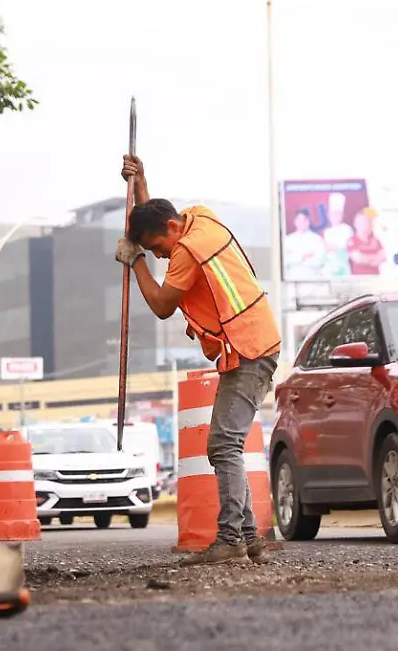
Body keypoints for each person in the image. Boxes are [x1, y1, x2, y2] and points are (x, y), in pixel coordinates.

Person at [115, 154, 281, 566]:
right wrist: (140, 184)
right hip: (253, 344)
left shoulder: (187, 253)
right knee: (227, 444)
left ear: (172, 230)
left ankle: (231, 539)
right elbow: (158, 220)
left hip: (248, 350)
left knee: (224, 443)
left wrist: (134, 261)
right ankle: (247, 538)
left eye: (157, 248)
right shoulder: (198, 218)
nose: (159, 257)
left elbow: (160, 305)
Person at [282, 208, 327, 280]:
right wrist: (303, 256)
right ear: (295, 221)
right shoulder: (288, 240)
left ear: (309, 221)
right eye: (299, 220)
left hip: (312, 279)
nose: (302, 222)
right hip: (292, 278)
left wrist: (295, 256)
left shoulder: (317, 239)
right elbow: (285, 260)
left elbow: (319, 261)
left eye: (305, 220)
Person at [346, 209, 384, 275]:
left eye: (365, 222)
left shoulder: (376, 241)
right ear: (355, 224)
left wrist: (368, 258)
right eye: (361, 222)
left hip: (375, 277)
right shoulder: (352, 241)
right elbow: (358, 258)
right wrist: (373, 258)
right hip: (359, 279)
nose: (363, 225)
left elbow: (382, 256)